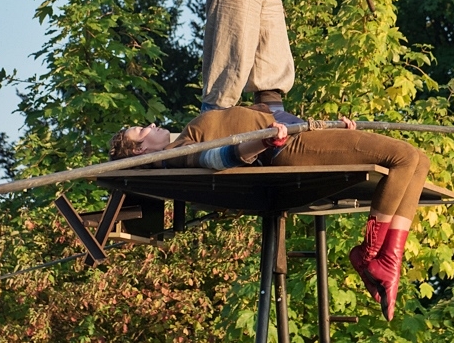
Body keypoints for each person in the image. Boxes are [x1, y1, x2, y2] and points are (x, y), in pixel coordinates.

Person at [110, 105, 430, 321]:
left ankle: (384, 260)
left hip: (303, 135)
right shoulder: (176, 154)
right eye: (141, 130)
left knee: (420, 159)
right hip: (286, 149)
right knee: (402, 157)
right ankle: (374, 255)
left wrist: (339, 132)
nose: (151, 125)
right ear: (140, 151)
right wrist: (260, 143)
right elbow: (218, 159)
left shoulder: (185, 134)